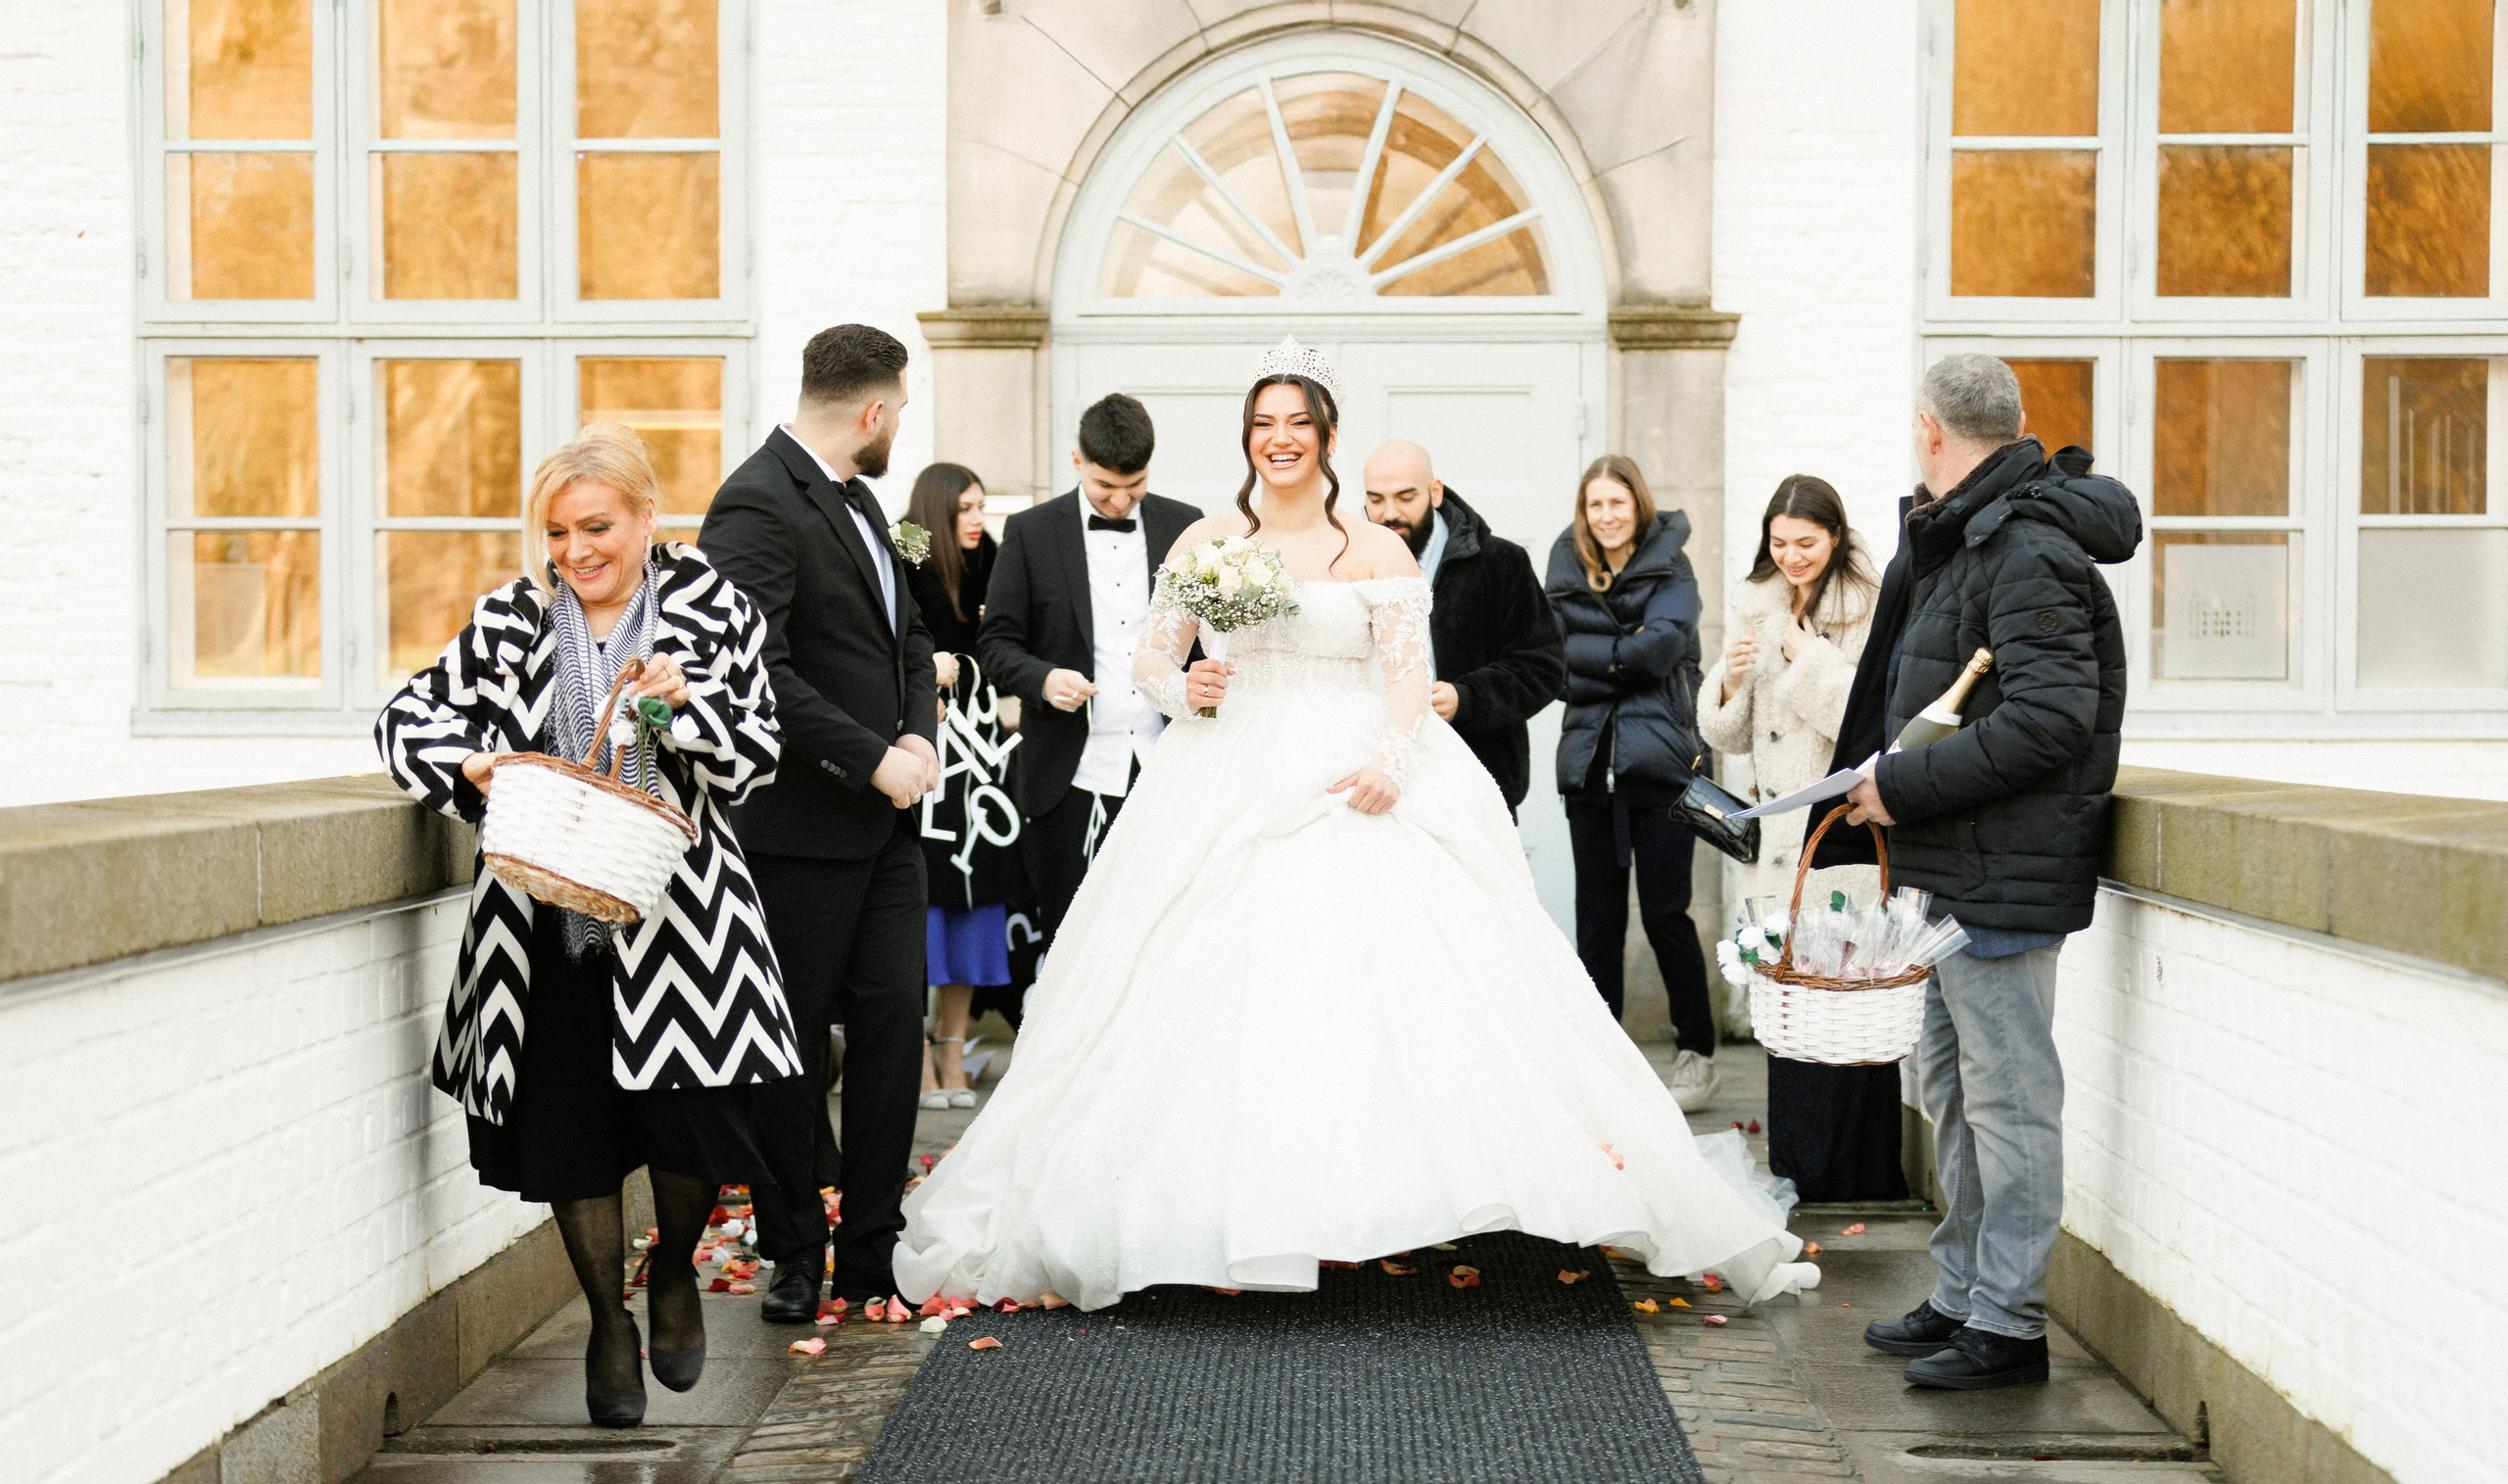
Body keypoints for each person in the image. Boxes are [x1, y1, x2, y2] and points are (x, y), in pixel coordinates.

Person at [891, 339, 1816, 1313]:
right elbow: (1153, 661)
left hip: (1357, 769)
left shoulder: (1373, 548)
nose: (1279, 438)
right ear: (1247, 437)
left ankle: (1397, 1195)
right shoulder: (1210, 540)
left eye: (1298, 422)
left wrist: (1390, 762)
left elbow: (1408, 676)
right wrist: (1185, 687)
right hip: (1227, 769)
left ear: (1328, 436)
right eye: (1263, 423)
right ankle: (1227, 1198)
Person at [376, 423, 800, 1427]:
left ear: (648, 516)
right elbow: (402, 719)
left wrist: (683, 705)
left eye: (597, 526)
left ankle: (674, 1266)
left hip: (684, 919)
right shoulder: (510, 620)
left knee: (695, 1117)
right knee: (572, 1133)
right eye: (559, 533)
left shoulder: (713, 610)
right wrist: (470, 764)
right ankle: (607, 1321)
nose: (576, 551)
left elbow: (758, 754)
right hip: (541, 922)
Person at [1826, 354, 2140, 1389]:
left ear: (1929, 428)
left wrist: (1901, 787)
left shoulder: (2025, 547)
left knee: (2010, 1105)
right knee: (1956, 1100)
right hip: (1945, 874)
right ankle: (1963, 1293)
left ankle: (2009, 1325)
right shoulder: (1965, 535)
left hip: (2000, 876)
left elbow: (2051, 720)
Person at [698, 324, 941, 1323]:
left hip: (888, 836)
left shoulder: (864, 502)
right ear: (873, 411)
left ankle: (871, 1254)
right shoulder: (757, 500)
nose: (899, 428)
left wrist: (919, 736)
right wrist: (871, 757)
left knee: (891, 1036)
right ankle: (795, 1252)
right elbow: (752, 669)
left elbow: (910, 637)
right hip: (795, 835)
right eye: (901, 411)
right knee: (790, 1051)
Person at [1696, 475, 1895, 1202]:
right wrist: (1727, 682)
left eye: (1806, 542)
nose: (1791, 556)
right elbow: (1730, 735)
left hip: (1838, 832)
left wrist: (1808, 659)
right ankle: (1798, 1165)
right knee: (1790, 1008)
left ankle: (1852, 1175)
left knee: (1844, 1004)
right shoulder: (1761, 600)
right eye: (1779, 543)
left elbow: (1869, 724)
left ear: (1835, 536)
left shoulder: (1867, 607)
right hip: (1778, 837)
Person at [978, 393, 1201, 954]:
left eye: (1136, 485)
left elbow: (1208, 641)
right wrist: (1043, 679)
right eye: (1106, 486)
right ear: (1077, 461)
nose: (1121, 501)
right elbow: (996, 644)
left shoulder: (1187, 525)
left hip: (1168, 766)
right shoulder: (1030, 532)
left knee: (1166, 936)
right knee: (1070, 941)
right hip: (1067, 775)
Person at [1544, 456, 1718, 1112]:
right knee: (1598, 920)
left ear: (1638, 505)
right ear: (1583, 512)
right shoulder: (1565, 566)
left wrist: (1599, 656)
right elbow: (1552, 661)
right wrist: (1625, 653)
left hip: (1661, 768)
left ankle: (1697, 1054)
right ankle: (1602, 1058)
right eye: (1596, 505)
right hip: (1590, 768)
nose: (1607, 516)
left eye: (1617, 503)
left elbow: (1662, 648)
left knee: (1667, 914)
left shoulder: (1672, 566)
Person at [899, 461, 1023, 1108]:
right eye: (965, 509)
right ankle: (916, 1055)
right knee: (920, 901)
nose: (976, 520)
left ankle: (953, 1048)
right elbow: (882, 635)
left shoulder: (990, 556)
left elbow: (1004, 638)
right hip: (919, 746)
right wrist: (923, 673)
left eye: (981, 507)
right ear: (938, 509)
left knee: (975, 896)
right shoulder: (906, 544)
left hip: (980, 755)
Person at [1361, 440, 1565, 817]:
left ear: (1435, 492)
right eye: (1376, 500)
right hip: (1373, 783)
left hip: (1478, 785)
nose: (1390, 513)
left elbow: (1543, 667)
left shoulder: (1502, 563)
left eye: (1406, 497)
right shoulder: (1348, 563)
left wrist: (1466, 698)